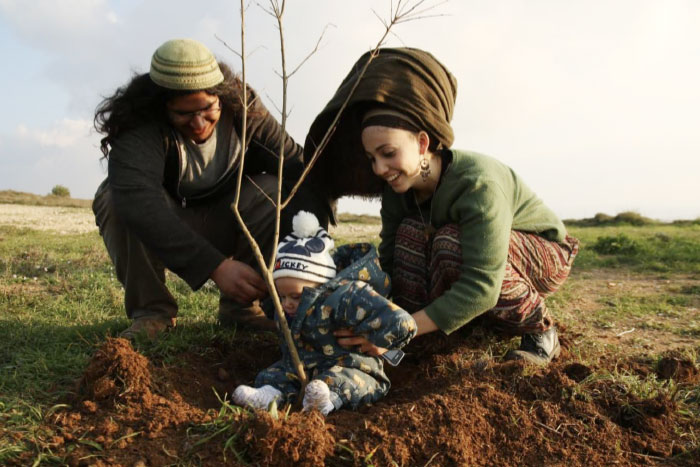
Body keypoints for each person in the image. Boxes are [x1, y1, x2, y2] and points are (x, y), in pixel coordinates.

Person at [304, 48, 579, 365]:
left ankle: (540, 329)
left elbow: (482, 287)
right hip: (473, 257)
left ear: (422, 143)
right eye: (371, 159)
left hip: (542, 254)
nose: (379, 168)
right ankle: (447, 328)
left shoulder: (478, 183)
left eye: (388, 153)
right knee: (410, 233)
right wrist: (374, 317)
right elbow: (391, 261)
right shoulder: (397, 190)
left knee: (450, 242)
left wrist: (397, 330)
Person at [92, 38, 329, 339]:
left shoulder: (244, 108)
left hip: (228, 218)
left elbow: (297, 166)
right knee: (113, 198)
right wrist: (214, 266)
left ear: (221, 96)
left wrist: (318, 240)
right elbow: (139, 203)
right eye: (184, 114)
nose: (199, 122)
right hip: (165, 223)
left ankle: (241, 310)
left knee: (276, 190)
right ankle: (153, 313)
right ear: (161, 106)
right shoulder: (138, 125)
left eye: (207, 108)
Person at [232, 211, 417, 415]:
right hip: (302, 364)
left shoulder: (346, 297)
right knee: (276, 373)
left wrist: (382, 343)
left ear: (320, 285)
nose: (287, 304)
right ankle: (269, 395)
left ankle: (326, 400)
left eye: (295, 296)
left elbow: (402, 322)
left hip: (349, 364)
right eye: (282, 296)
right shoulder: (284, 303)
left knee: (351, 381)